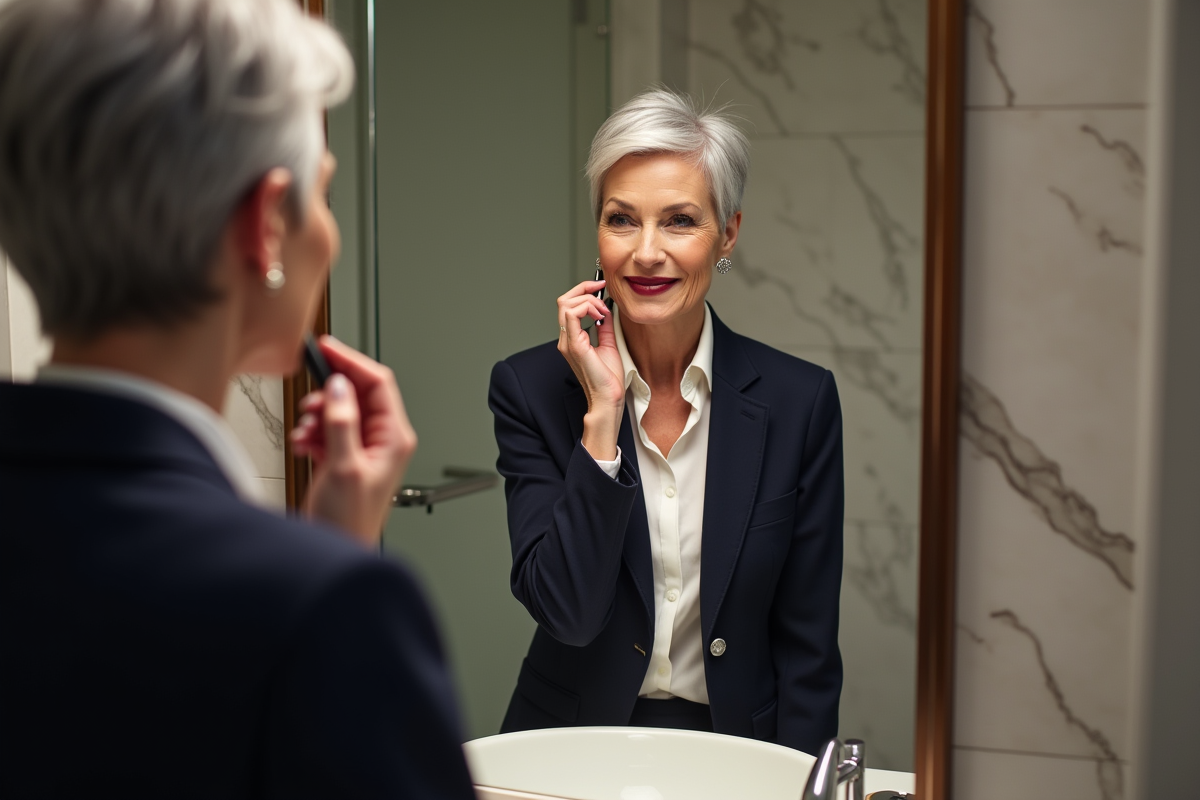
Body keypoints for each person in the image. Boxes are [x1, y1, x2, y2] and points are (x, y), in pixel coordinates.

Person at [0, 0, 475, 797]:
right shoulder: (324, 606)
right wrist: (328, 580)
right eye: (321, 195)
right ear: (264, 226)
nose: (326, 231)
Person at [489, 89, 844, 755]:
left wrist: (805, 782)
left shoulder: (801, 401)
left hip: (740, 746)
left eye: (679, 221)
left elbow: (809, 644)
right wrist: (602, 419)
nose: (646, 253)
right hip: (568, 744)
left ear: (728, 233)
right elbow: (568, 613)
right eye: (622, 220)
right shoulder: (532, 388)